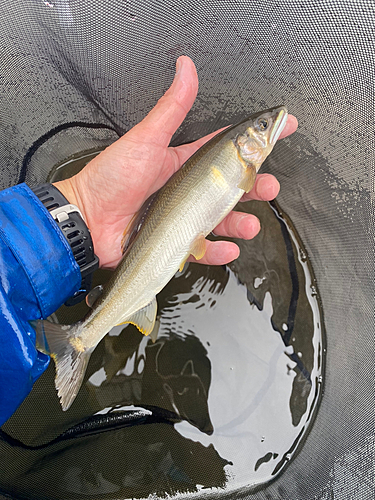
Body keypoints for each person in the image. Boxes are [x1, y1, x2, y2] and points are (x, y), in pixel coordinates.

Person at [0, 56, 297, 425]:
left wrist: (82, 205)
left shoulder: (243, 165)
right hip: (137, 265)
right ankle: (80, 339)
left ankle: (80, 338)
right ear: (243, 144)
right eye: (264, 126)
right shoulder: (244, 168)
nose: (271, 125)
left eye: (264, 125)